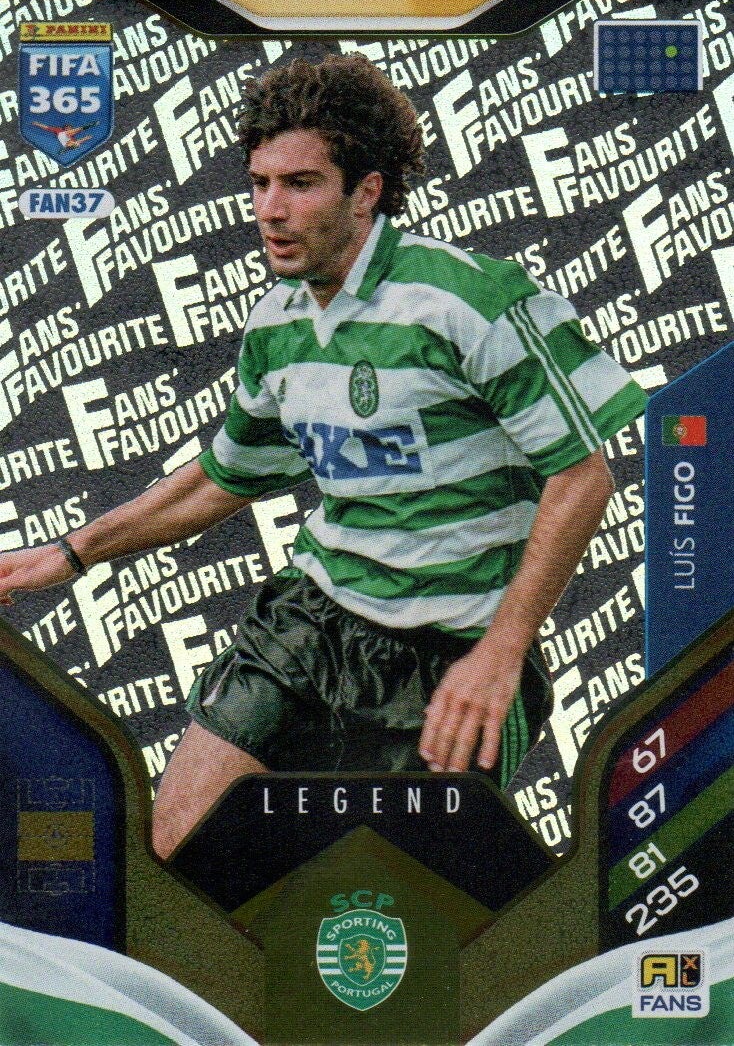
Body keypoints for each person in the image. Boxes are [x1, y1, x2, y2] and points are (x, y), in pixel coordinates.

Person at [0, 55, 647, 859]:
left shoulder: (468, 300)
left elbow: (583, 478)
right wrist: (71, 552)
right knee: (176, 850)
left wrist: (501, 652)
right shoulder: (277, 325)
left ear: (366, 192)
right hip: (314, 622)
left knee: (392, 896)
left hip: (452, 650)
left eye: (301, 184)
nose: (271, 210)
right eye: (260, 183)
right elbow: (223, 478)